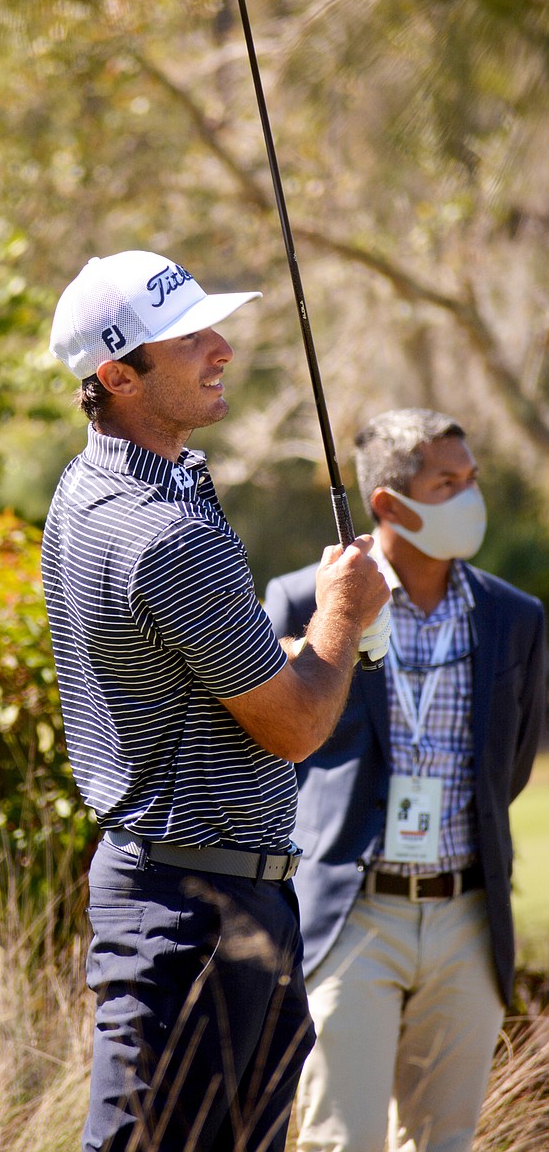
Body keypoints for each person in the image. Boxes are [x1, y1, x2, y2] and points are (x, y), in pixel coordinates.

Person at [40, 249, 390, 1152]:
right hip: (191, 917)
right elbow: (298, 725)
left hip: (195, 899)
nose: (222, 346)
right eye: (189, 337)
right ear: (118, 375)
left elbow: (192, 668)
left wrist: (304, 647)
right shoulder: (163, 531)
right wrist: (342, 615)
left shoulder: (96, 488)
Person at [264, 408, 547, 1152]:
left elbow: (510, 764)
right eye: (447, 482)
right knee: (341, 1140)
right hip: (352, 914)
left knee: (444, 1140)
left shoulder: (515, 617)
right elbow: (275, 752)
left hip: (467, 918)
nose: (469, 496)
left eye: (471, 478)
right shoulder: (307, 598)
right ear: (391, 503)